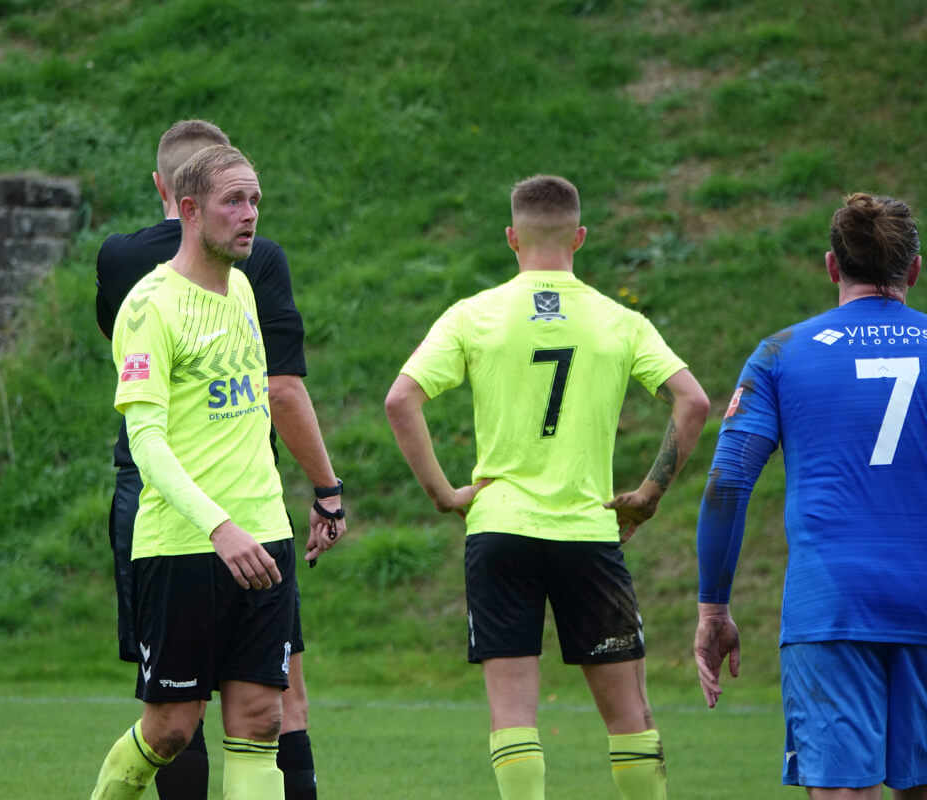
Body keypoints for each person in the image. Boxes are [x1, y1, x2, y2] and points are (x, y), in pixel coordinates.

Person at [386, 175, 709, 800]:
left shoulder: (472, 314)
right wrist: (648, 493)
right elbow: (692, 402)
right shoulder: (620, 320)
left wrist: (444, 494)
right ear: (579, 238)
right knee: (630, 720)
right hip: (588, 533)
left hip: (499, 529)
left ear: (512, 238)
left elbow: (402, 401)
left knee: (512, 714)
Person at [95, 120, 343, 800]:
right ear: (187, 208)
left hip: (263, 536)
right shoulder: (148, 305)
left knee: (262, 719)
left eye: (256, 199)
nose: (251, 214)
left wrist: (275, 516)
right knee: (172, 729)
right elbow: (145, 442)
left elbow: (268, 403)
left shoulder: (241, 289)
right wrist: (217, 526)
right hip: (183, 544)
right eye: (234, 200)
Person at [694, 193, 927, 799]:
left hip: (831, 608)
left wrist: (713, 609)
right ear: (914, 270)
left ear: (831, 266)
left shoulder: (780, 354)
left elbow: (728, 484)